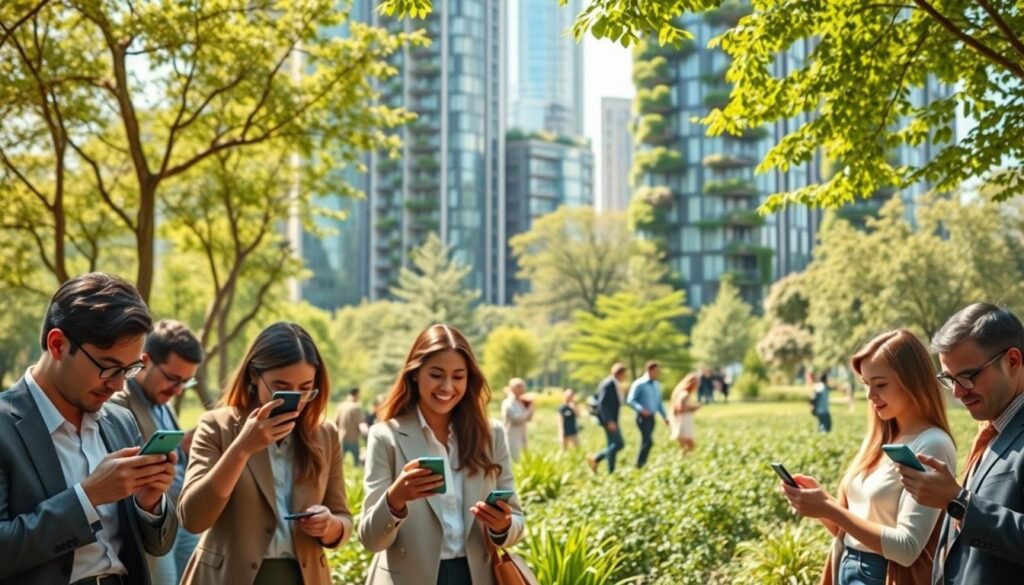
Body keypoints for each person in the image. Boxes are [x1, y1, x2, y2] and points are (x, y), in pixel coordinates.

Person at [0, 272, 178, 584]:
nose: (118, 384)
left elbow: (157, 544)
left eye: (130, 369)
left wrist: (149, 503)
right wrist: (88, 497)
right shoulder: (5, 425)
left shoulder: (121, 420)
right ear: (57, 344)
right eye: (108, 367)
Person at [178, 322, 352, 585]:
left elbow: (343, 517)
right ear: (253, 376)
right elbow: (193, 517)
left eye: (305, 389)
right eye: (281, 387)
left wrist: (330, 526)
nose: (294, 399)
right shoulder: (218, 425)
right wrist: (242, 449)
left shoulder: (324, 434)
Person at [780, 329, 956, 585]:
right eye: (866, 384)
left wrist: (829, 507)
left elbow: (907, 549)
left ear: (913, 381)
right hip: (847, 566)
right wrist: (818, 506)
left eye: (881, 384)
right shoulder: (878, 440)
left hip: (884, 575)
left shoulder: (932, 444)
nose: (870, 395)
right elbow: (849, 530)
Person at [358, 323, 525, 585]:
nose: (447, 387)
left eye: (458, 376)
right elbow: (371, 539)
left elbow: (517, 521)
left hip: (477, 576)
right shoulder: (385, 436)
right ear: (415, 374)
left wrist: (502, 526)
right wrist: (395, 499)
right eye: (436, 375)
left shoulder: (490, 435)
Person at [897, 303, 1024, 585]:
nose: (957, 392)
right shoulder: (994, 427)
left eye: (967, 377)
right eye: (948, 379)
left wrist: (958, 502)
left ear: (1013, 361)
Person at [110, 319, 204, 585]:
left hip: (180, 520)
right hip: (151, 525)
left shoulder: (163, 402)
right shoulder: (118, 402)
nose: (176, 390)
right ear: (145, 361)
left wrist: (184, 447)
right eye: (173, 379)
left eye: (185, 382)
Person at [626, 360, 670, 469]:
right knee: (648, 441)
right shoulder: (639, 384)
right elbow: (630, 400)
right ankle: (638, 465)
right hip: (642, 417)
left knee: (646, 442)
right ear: (649, 370)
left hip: (652, 417)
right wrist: (641, 409)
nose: (658, 374)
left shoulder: (657, 385)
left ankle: (641, 464)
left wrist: (665, 416)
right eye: (656, 371)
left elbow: (659, 403)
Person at [587, 363, 628, 473]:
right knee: (619, 444)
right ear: (620, 373)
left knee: (612, 445)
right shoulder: (609, 384)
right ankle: (596, 458)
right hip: (609, 420)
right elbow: (603, 404)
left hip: (613, 420)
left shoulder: (614, 384)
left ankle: (611, 471)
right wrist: (609, 421)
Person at [500, 377, 533, 462]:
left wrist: (531, 407)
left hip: (522, 434)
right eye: (521, 387)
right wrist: (529, 409)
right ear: (515, 388)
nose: (524, 389)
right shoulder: (508, 403)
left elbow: (528, 418)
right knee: (514, 459)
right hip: (512, 436)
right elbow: (516, 419)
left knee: (523, 459)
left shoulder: (521, 402)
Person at [669, 373, 700, 455]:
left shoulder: (681, 392)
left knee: (683, 445)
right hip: (683, 420)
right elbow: (680, 408)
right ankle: (683, 459)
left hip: (680, 419)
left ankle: (683, 459)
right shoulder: (684, 394)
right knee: (689, 445)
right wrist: (693, 408)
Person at [334, 387, 365, 466]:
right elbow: (361, 424)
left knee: (339, 463)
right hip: (353, 438)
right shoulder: (356, 407)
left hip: (341, 437)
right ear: (356, 395)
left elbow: (335, 422)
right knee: (357, 462)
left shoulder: (340, 406)